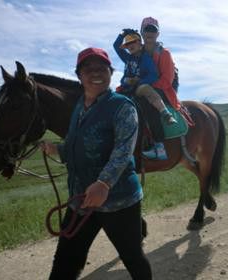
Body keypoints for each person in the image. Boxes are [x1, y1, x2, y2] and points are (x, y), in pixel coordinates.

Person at [41, 47, 152, 280]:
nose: (95, 73)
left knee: (133, 257)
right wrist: (57, 150)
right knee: (65, 260)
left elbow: (123, 150)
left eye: (101, 68)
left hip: (119, 201)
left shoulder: (123, 106)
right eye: (88, 69)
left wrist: (104, 183)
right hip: (81, 199)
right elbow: (75, 143)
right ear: (79, 75)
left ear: (111, 73)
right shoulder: (80, 106)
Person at [113, 29, 177, 160]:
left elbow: (153, 75)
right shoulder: (128, 57)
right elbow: (116, 47)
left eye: (133, 42)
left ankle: (164, 117)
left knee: (146, 91)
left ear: (140, 43)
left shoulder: (146, 59)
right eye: (127, 44)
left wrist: (138, 82)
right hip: (125, 90)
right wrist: (122, 34)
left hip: (138, 88)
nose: (130, 45)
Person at [139, 16, 183, 160]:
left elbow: (167, 80)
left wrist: (146, 88)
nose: (150, 33)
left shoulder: (165, 53)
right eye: (147, 29)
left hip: (163, 89)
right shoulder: (138, 53)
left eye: (153, 30)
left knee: (148, 103)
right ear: (142, 32)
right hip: (145, 88)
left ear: (157, 34)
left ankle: (159, 146)